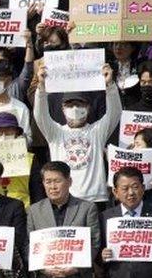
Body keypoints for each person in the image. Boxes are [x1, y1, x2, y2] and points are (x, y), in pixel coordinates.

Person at [33, 63, 120, 205]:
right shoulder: (55, 132)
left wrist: (110, 85)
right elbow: (40, 114)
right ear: (62, 108)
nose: (74, 108)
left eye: (79, 104)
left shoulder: (97, 131)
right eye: (69, 105)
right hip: (64, 199)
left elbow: (115, 112)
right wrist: (41, 88)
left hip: (94, 199)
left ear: (88, 107)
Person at [27, 161, 100, 278]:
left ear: (69, 182)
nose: (52, 186)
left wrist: (75, 268)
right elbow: (28, 246)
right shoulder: (33, 210)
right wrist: (43, 268)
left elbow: (94, 243)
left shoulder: (87, 208)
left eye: (57, 181)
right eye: (48, 181)